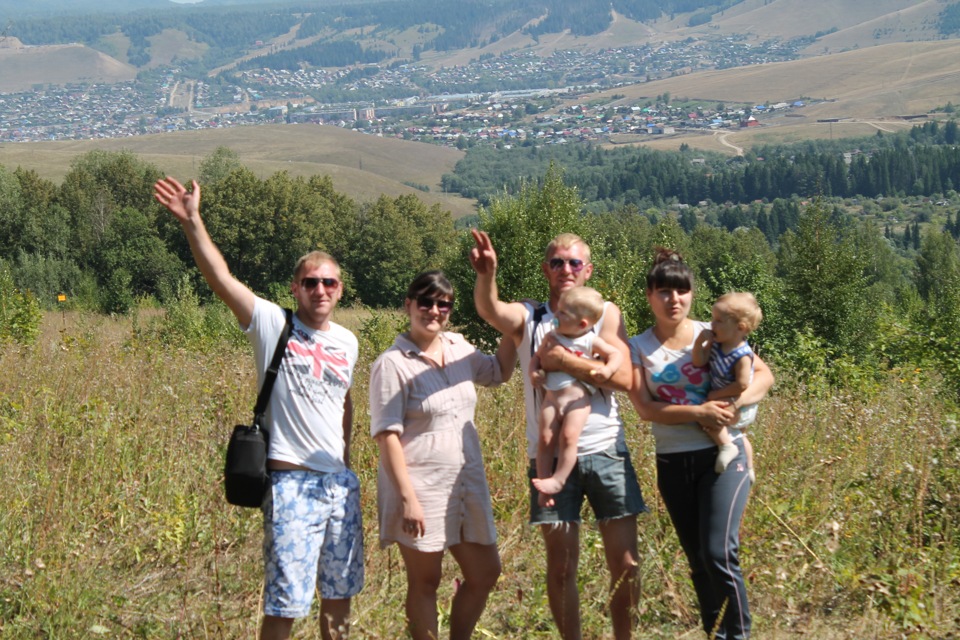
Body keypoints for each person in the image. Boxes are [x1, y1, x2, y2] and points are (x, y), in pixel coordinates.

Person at [153, 177, 363, 640]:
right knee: (285, 603)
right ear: (296, 287)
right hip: (290, 484)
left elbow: (344, 400)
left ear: (341, 289)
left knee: (339, 596)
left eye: (329, 282)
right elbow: (221, 279)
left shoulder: (347, 341)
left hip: (338, 486)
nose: (320, 290)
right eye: (311, 282)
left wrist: (347, 463)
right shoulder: (272, 322)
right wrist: (193, 223)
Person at [470, 229, 647, 640]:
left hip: (605, 450)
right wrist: (487, 274)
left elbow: (623, 379)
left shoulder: (604, 314)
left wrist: (563, 359)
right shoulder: (531, 317)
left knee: (624, 563)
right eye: (556, 262)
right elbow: (491, 309)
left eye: (573, 262)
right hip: (546, 458)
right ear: (545, 270)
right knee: (561, 565)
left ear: (588, 269)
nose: (565, 269)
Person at [627, 249, 774, 640]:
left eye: (682, 291)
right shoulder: (637, 347)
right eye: (663, 292)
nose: (673, 299)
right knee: (697, 561)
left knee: (719, 553)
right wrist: (699, 412)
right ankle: (716, 634)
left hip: (723, 458)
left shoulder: (716, 330)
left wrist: (728, 406)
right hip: (673, 461)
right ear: (649, 296)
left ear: (692, 294)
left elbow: (763, 378)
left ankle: (737, 635)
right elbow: (646, 408)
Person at [368, 270, 517, 640]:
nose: (434, 310)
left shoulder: (459, 349)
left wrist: (515, 329)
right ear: (408, 305)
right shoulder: (392, 364)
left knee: (485, 572)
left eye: (443, 303)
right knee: (426, 581)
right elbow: (387, 436)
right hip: (420, 487)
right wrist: (407, 499)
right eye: (425, 301)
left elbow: (499, 372)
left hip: (466, 483)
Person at [530, 286, 623, 503]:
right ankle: (544, 485)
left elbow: (615, 354)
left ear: (582, 324)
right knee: (544, 439)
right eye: (558, 310)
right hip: (551, 399)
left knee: (569, 437)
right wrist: (533, 371)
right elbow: (537, 357)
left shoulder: (590, 340)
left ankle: (559, 479)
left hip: (577, 402)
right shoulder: (551, 335)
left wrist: (607, 369)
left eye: (563, 313)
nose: (556, 315)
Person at [691, 292, 763, 481]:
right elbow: (699, 362)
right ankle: (749, 468)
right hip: (726, 392)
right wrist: (700, 343)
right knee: (740, 435)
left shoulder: (742, 355)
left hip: (735, 396)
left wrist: (717, 394)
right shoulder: (716, 344)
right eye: (712, 319)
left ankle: (726, 446)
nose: (712, 325)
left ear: (740, 328)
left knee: (707, 417)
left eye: (719, 321)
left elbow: (742, 384)